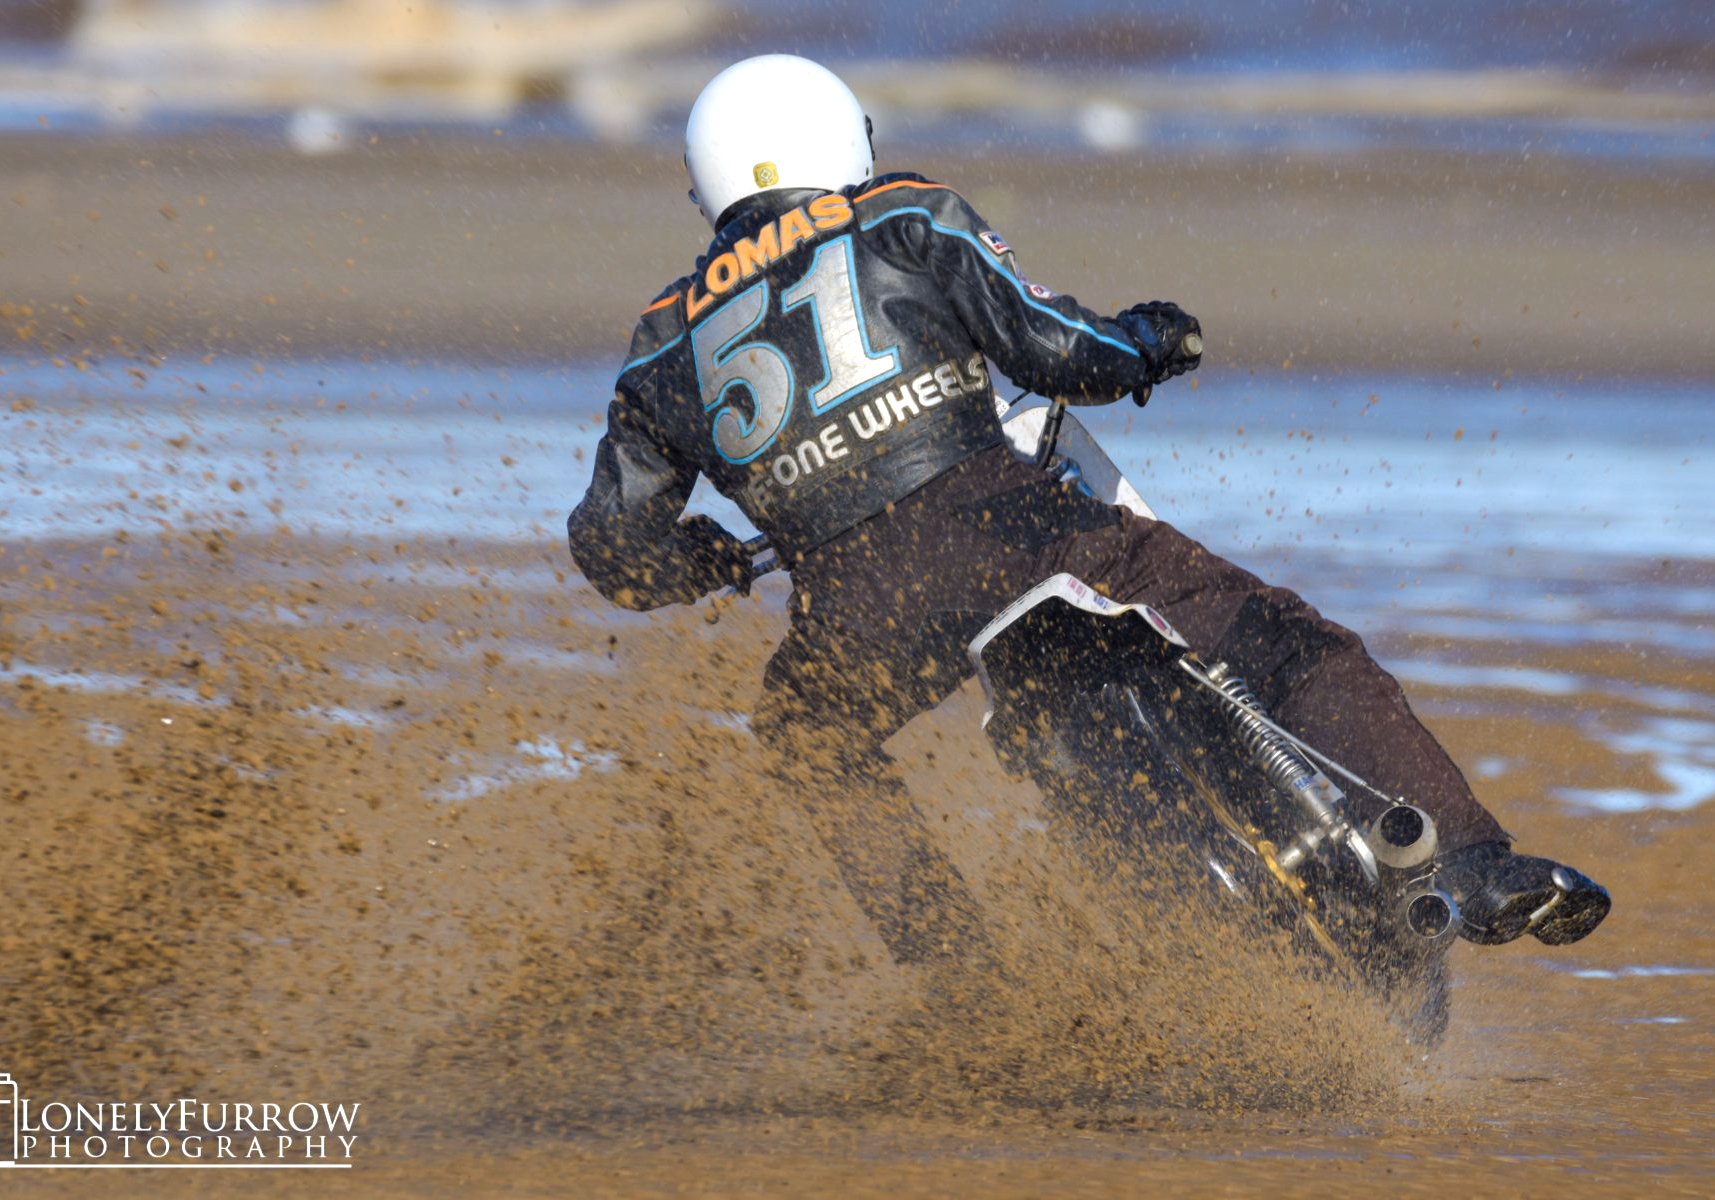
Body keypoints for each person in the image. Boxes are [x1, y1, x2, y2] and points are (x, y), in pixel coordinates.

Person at [568, 54, 1608, 965]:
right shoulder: (900, 214)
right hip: (1015, 533)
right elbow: (1056, 353)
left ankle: (956, 974)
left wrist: (699, 558)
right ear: (850, 138)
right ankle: (1472, 863)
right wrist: (1150, 342)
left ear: (705, 183)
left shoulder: (662, 341)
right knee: (1289, 642)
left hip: (857, 615)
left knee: (803, 733)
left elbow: (612, 550)